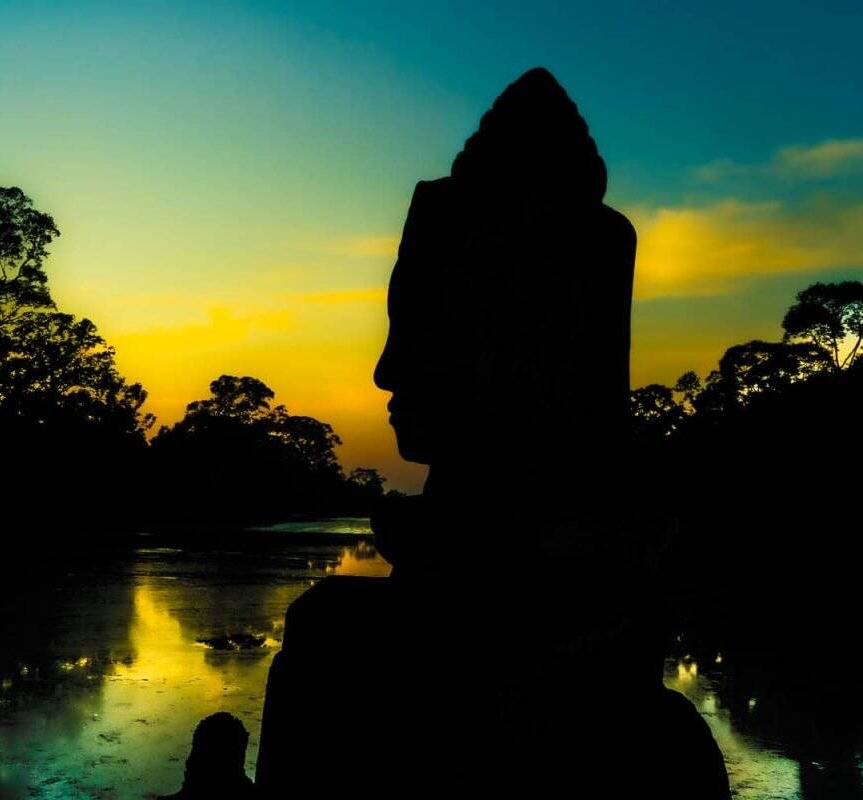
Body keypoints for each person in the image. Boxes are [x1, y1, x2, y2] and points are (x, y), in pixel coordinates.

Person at [255, 67, 730, 798]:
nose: (386, 370)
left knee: (324, 631)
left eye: (417, 323)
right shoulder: (613, 620)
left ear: (520, 337)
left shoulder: (353, 658)